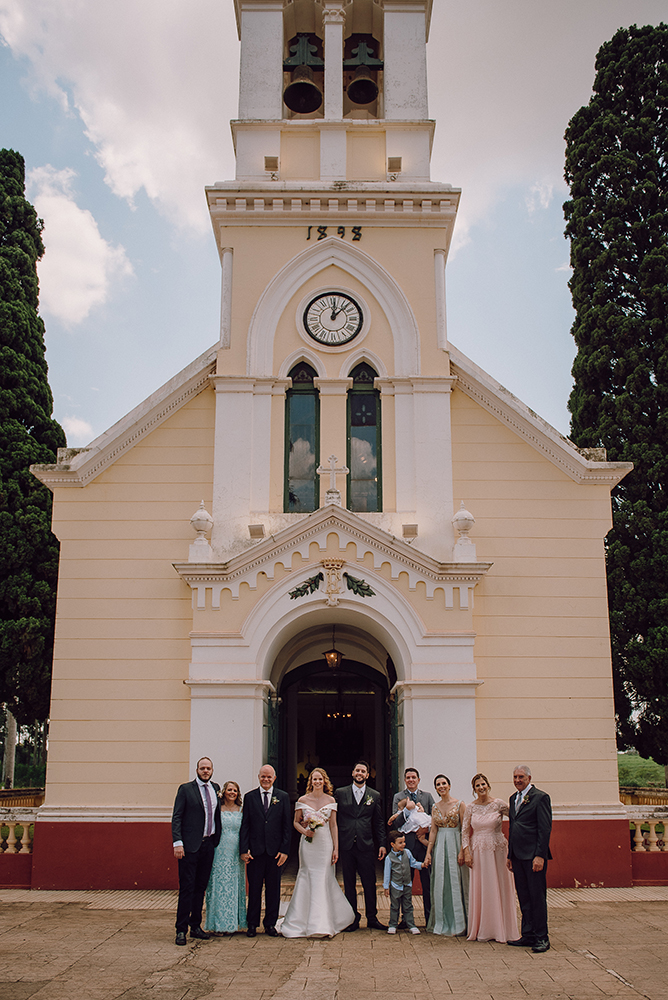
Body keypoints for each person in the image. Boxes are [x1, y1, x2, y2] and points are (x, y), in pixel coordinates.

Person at [280, 767, 354, 937]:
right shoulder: (302, 800)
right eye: (314, 779)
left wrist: (336, 848)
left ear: (324, 781)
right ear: (310, 782)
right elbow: (296, 822)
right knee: (307, 876)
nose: (317, 782)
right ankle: (301, 920)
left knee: (323, 877)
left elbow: (333, 825)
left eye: (320, 779)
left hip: (325, 844)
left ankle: (323, 922)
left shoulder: (331, 800)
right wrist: (305, 831)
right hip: (308, 845)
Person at [462, 773, 519, 943]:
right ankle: (483, 927)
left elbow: (517, 818)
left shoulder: (499, 804)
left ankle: (502, 927)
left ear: (488, 785)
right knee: (483, 886)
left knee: (499, 884)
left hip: (497, 849)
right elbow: (465, 831)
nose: (481, 788)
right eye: (477, 786)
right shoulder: (471, 808)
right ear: (474, 789)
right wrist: (466, 852)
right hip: (478, 850)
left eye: (483, 784)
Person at [171, 756, 222, 946]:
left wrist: (216, 839)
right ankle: (181, 929)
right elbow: (177, 817)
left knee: (200, 888)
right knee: (187, 888)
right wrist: (178, 843)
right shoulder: (186, 789)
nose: (205, 771)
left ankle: (196, 926)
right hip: (189, 847)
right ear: (197, 770)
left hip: (208, 845)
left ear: (212, 770)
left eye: (208, 768)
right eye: (202, 768)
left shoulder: (216, 788)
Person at [239, 763, 292, 937]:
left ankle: (270, 924)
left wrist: (284, 850)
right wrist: (244, 849)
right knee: (254, 889)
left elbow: (286, 826)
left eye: (269, 777)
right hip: (255, 852)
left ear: (274, 778)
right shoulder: (250, 797)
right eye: (263, 776)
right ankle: (252, 924)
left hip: (275, 853)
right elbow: (245, 825)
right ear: (259, 777)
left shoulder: (282, 797)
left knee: (273, 890)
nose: (266, 779)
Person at [335, 760, 387, 931]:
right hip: (347, 844)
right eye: (357, 770)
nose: (360, 773)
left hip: (366, 845)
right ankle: (352, 918)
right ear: (352, 773)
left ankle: (372, 917)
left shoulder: (375, 795)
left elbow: (378, 822)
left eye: (363, 771)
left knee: (369, 882)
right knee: (349, 882)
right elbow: (333, 820)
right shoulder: (340, 793)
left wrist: (382, 844)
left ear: (367, 775)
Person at [507, 765, 552, 953]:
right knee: (524, 897)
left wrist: (540, 855)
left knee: (537, 897)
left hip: (533, 856)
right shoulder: (513, 798)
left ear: (529, 778)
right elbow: (512, 828)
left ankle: (542, 937)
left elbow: (545, 829)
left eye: (521, 777)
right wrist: (510, 855)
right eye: (515, 777)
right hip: (517, 856)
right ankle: (528, 935)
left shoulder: (540, 797)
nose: (518, 780)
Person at [423, 773, 469, 936]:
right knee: (441, 880)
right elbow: (433, 831)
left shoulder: (460, 804)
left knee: (457, 880)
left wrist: (463, 850)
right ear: (435, 788)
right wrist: (429, 853)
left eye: (443, 783)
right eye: (438, 784)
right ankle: (441, 920)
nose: (441, 786)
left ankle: (460, 922)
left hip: (455, 842)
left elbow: (465, 828)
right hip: (440, 845)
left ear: (449, 786)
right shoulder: (435, 807)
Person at [389, 767, 434, 924]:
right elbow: (396, 823)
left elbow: (435, 819)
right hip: (406, 847)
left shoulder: (427, 797)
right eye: (408, 777)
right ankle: (406, 919)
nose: (411, 780)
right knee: (405, 884)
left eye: (413, 777)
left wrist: (425, 829)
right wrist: (407, 811)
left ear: (418, 780)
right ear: (405, 780)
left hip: (423, 846)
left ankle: (430, 918)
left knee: (427, 884)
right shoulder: (398, 797)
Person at [204, 780, 246, 934]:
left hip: (235, 851)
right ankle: (217, 923)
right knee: (218, 885)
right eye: (229, 790)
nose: (232, 793)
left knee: (234, 885)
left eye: (235, 790)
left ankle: (232, 923)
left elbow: (245, 831)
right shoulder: (217, 809)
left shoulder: (241, 809)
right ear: (224, 792)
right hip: (219, 850)